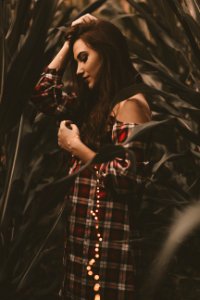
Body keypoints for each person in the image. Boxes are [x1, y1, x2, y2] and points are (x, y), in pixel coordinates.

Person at [31, 13, 151, 300]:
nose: (79, 69)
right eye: (76, 61)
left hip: (109, 242)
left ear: (107, 53)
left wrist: (76, 147)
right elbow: (42, 93)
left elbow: (125, 178)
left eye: (84, 58)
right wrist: (70, 41)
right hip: (85, 239)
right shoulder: (98, 101)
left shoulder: (130, 103)